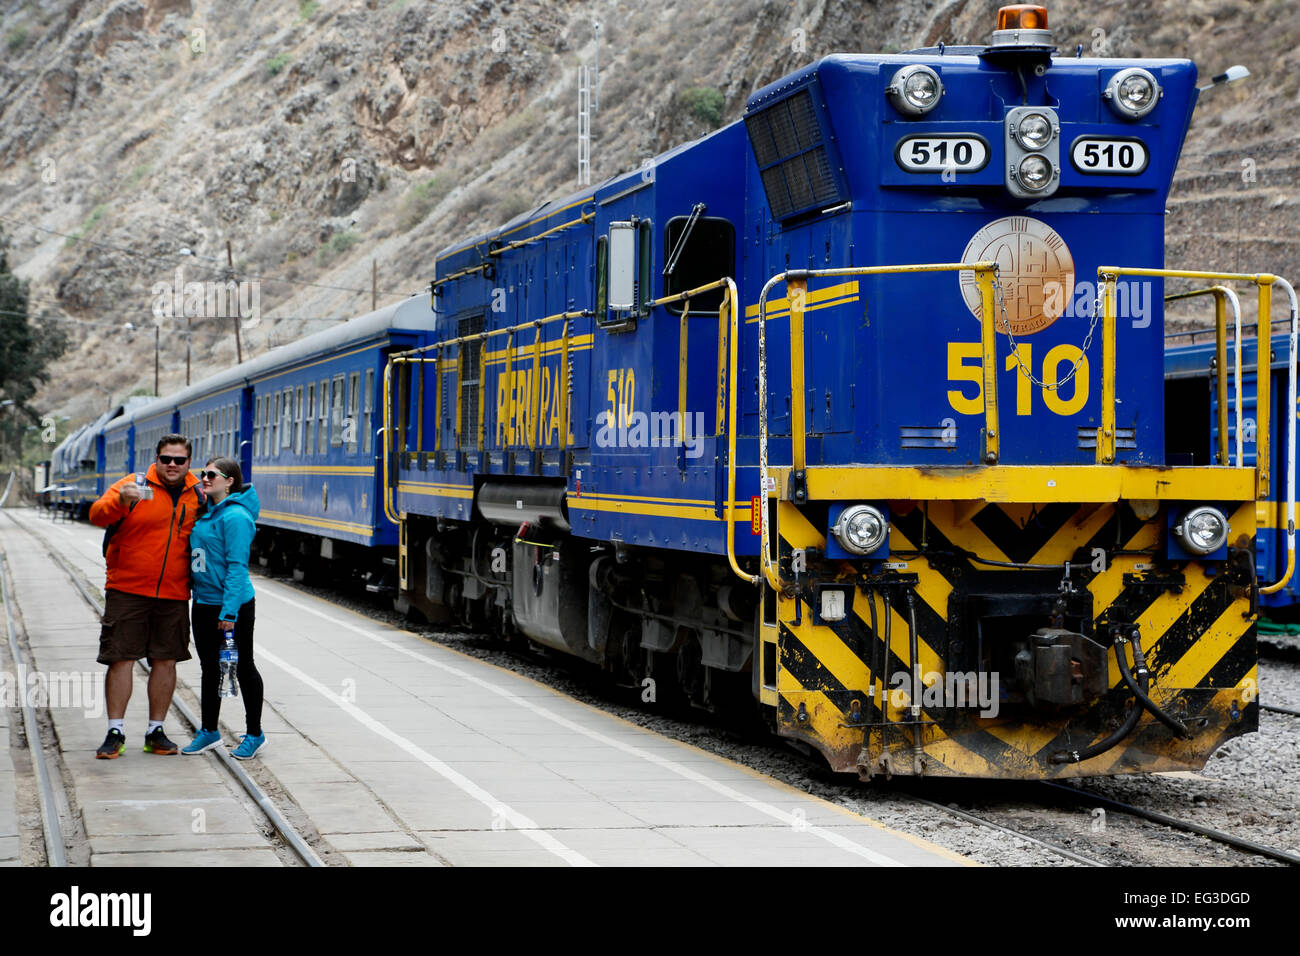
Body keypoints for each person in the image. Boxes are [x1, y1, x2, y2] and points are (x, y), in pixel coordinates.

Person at [89, 435, 203, 758]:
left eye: (179, 460)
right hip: (127, 589)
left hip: (174, 593)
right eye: (166, 458)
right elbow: (97, 515)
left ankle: (156, 731)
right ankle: (115, 731)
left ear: (188, 463)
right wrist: (119, 503)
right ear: (156, 458)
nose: (172, 465)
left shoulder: (198, 494)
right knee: (121, 658)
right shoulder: (133, 485)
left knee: (166, 660)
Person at [182, 457, 266, 760]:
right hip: (203, 602)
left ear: (229, 481)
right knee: (210, 668)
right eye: (202, 474)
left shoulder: (236, 518)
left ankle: (255, 733)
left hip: (232, 607)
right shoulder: (206, 513)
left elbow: (236, 568)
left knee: (242, 666)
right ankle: (209, 731)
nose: (204, 479)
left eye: (211, 475)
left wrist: (229, 613)